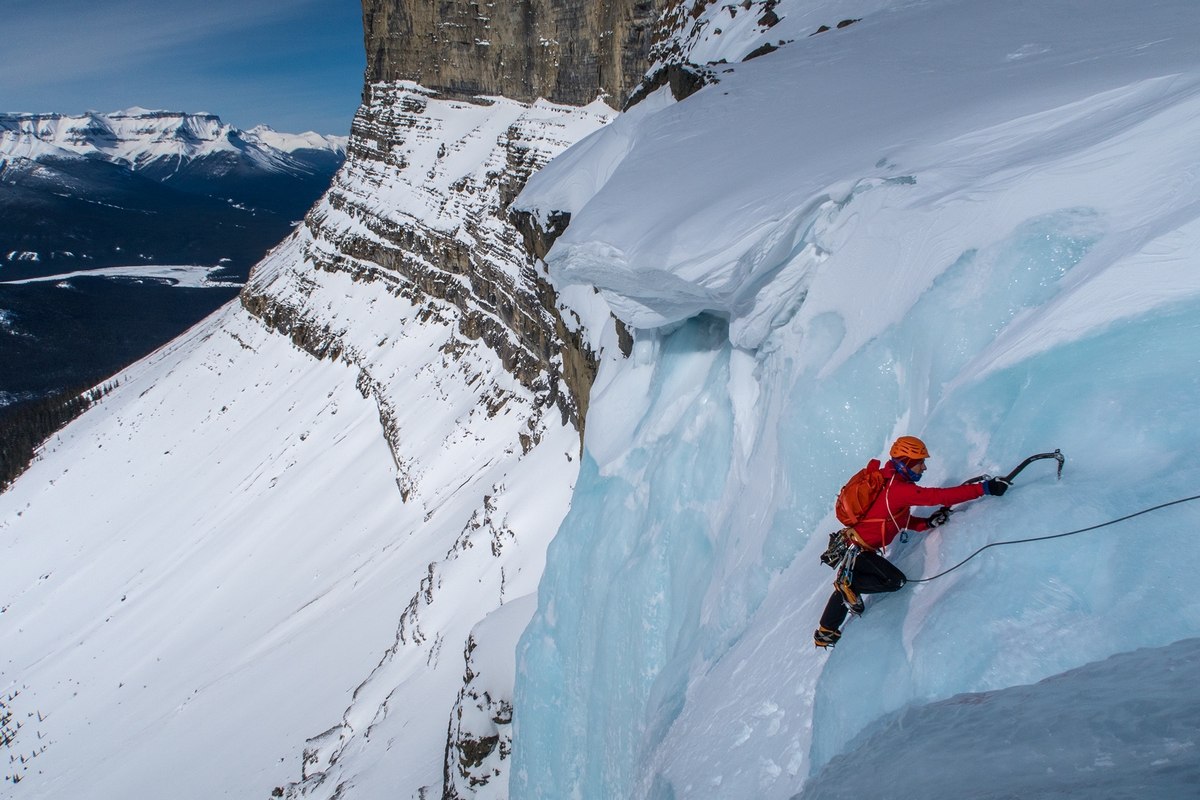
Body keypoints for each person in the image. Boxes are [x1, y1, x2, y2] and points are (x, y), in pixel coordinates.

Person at [813, 436, 1008, 648]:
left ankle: (826, 632)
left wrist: (927, 523)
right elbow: (939, 497)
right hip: (859, 551)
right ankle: (846, 589)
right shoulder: (898, 490)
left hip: (856, 549)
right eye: (920, 462)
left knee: (852, 585)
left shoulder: (892, 484)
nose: (924, 467)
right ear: (906, 462)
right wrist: (985, 488)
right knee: (893, 581)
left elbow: (900, 520)